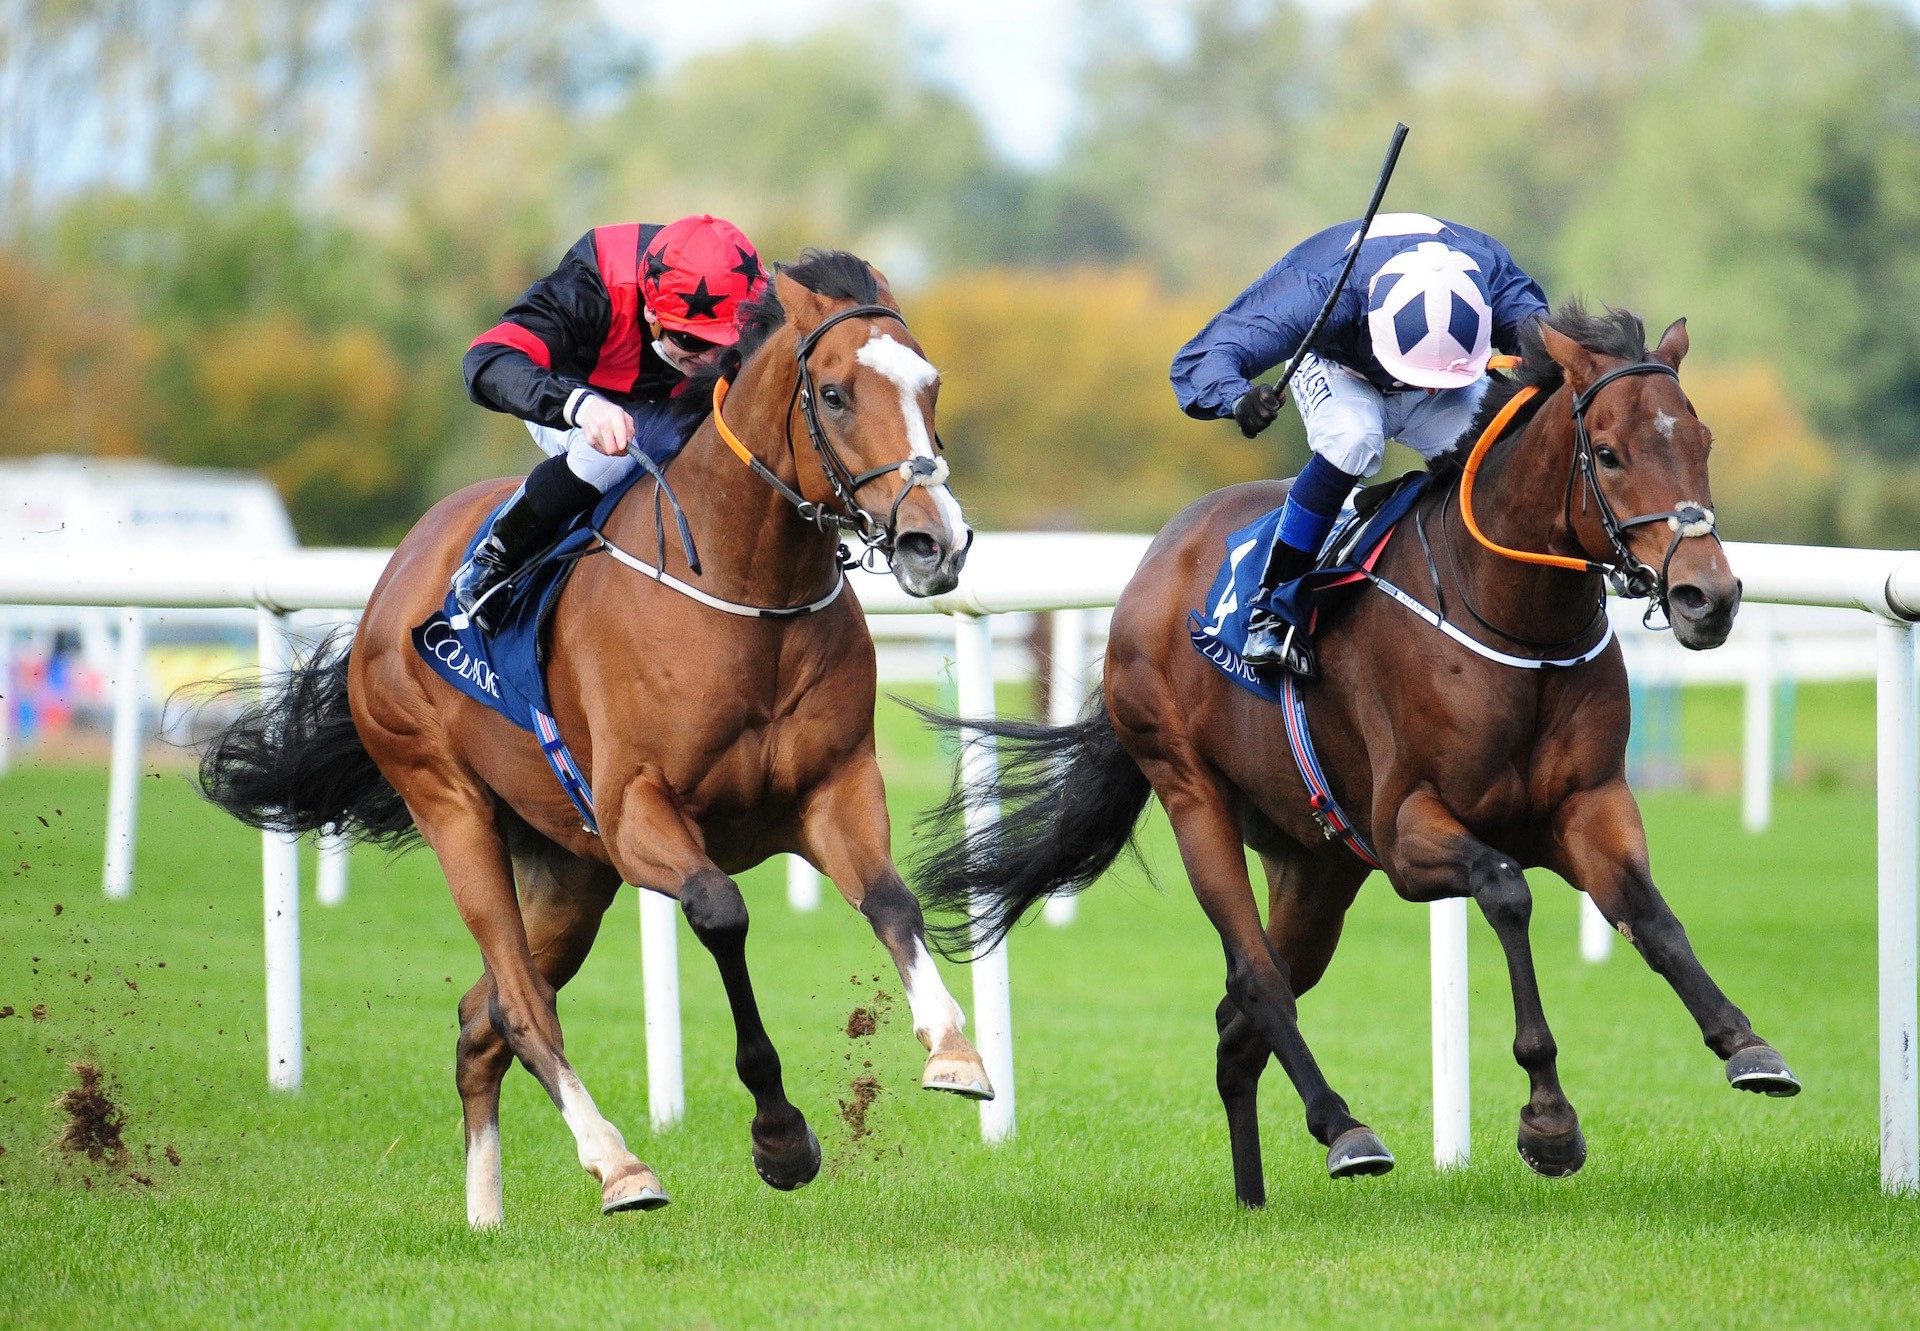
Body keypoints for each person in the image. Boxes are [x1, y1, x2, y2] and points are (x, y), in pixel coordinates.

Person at [1171, 213, 1548, 674]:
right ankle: (1272, 606)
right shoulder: (1318, 291)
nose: (1425, 393)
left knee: (1503, 439)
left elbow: (1563, 356)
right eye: (1416, 380)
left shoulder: (1492, 276)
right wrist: (1236, 399)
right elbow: (1200, 358)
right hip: (1337, 365)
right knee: (1354, 438)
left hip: (1453, 370)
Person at [453, 213, 767, 630]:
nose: (711, 359)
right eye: (692, 340)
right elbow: (486, 359)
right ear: (652, 314)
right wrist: (582, 407)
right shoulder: (590, 287)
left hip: (668, 398)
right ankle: (494, 559)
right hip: (574, 391)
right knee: (612, 455)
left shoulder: (754, 294)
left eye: (726, 342)